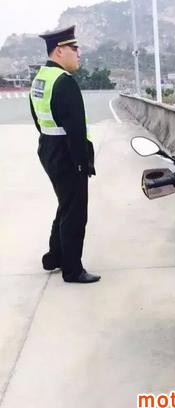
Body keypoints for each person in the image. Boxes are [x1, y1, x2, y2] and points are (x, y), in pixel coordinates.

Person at [29, 25, 100, 283]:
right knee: (75, 211)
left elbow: (38, 119)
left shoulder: (40, 78)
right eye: (74, 48)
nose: (78, 53)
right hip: (68, 153)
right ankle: (72, 269)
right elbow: (76, 129)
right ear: (59, 51)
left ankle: (55, 256)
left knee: (66, 204)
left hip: (49, 148)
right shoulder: (64, 82)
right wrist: (82, 163)